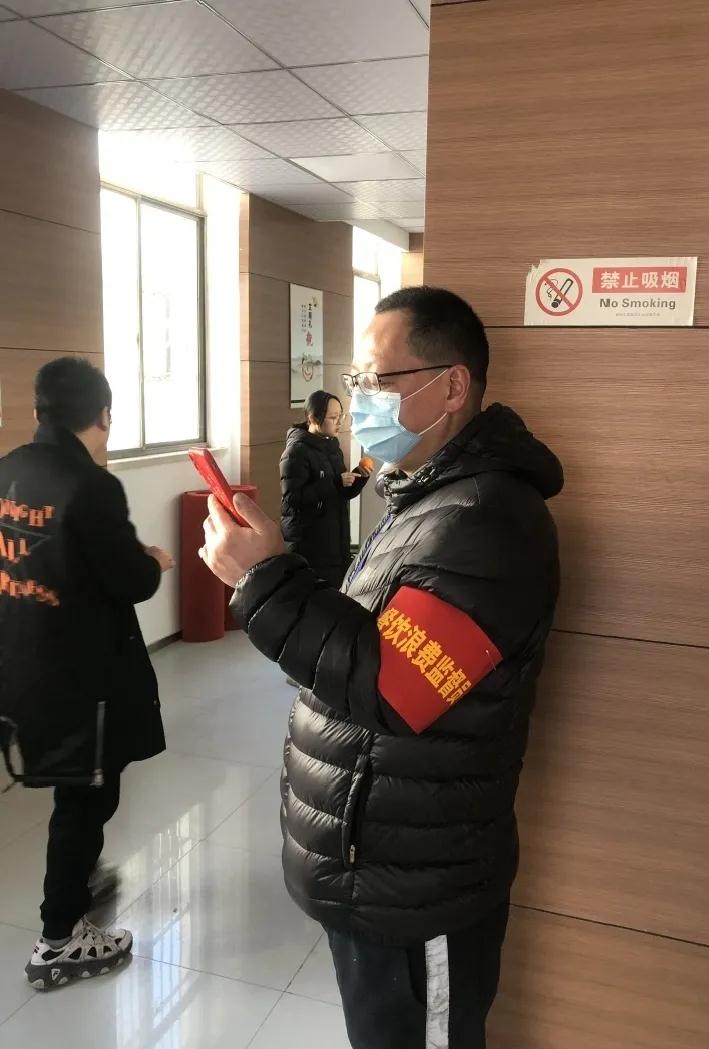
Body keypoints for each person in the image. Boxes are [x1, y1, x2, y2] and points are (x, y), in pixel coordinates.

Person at [200, 286, 563, 1049]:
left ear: (452, 386)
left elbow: (396, 687)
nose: (360, 397)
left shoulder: (489, 520)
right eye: (356, 379)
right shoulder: (425, 499)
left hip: (417, 884)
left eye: (377, 379)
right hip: (382, 866)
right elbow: (368, 645)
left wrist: (263, 581)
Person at [0, 357, 174, 990]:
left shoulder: (8, 468)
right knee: (86, 798)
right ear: (104, 415)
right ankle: (59, 941)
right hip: (82, 677)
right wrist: (154, 561)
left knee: (76, 792)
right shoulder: (92, 485)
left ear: (38, 410)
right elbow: (128, 578)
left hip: (23, 662)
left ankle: (80, 880)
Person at [279, 390, 369, 589]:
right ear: (313, 418)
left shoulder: (332, 446)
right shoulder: (296, 451)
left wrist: (358, 476)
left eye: (341, 416)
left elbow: (340, 492)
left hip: (335, 543)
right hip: (309, 546)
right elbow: (293, 498)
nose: (339, 422)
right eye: (333, 417)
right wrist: (334, 483)